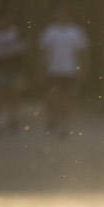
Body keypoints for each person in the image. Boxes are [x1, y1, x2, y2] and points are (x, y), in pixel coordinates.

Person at [38, 7, 88, 136]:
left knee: (68, 97)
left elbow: (82, 52)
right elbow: (44, 52)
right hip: (53, 70)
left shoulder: (76, 32)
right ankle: (53, 118)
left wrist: (82, 69)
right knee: (53, 96)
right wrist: (43, 68)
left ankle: (65, 123)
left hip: (70, 70)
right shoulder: (50, 31)